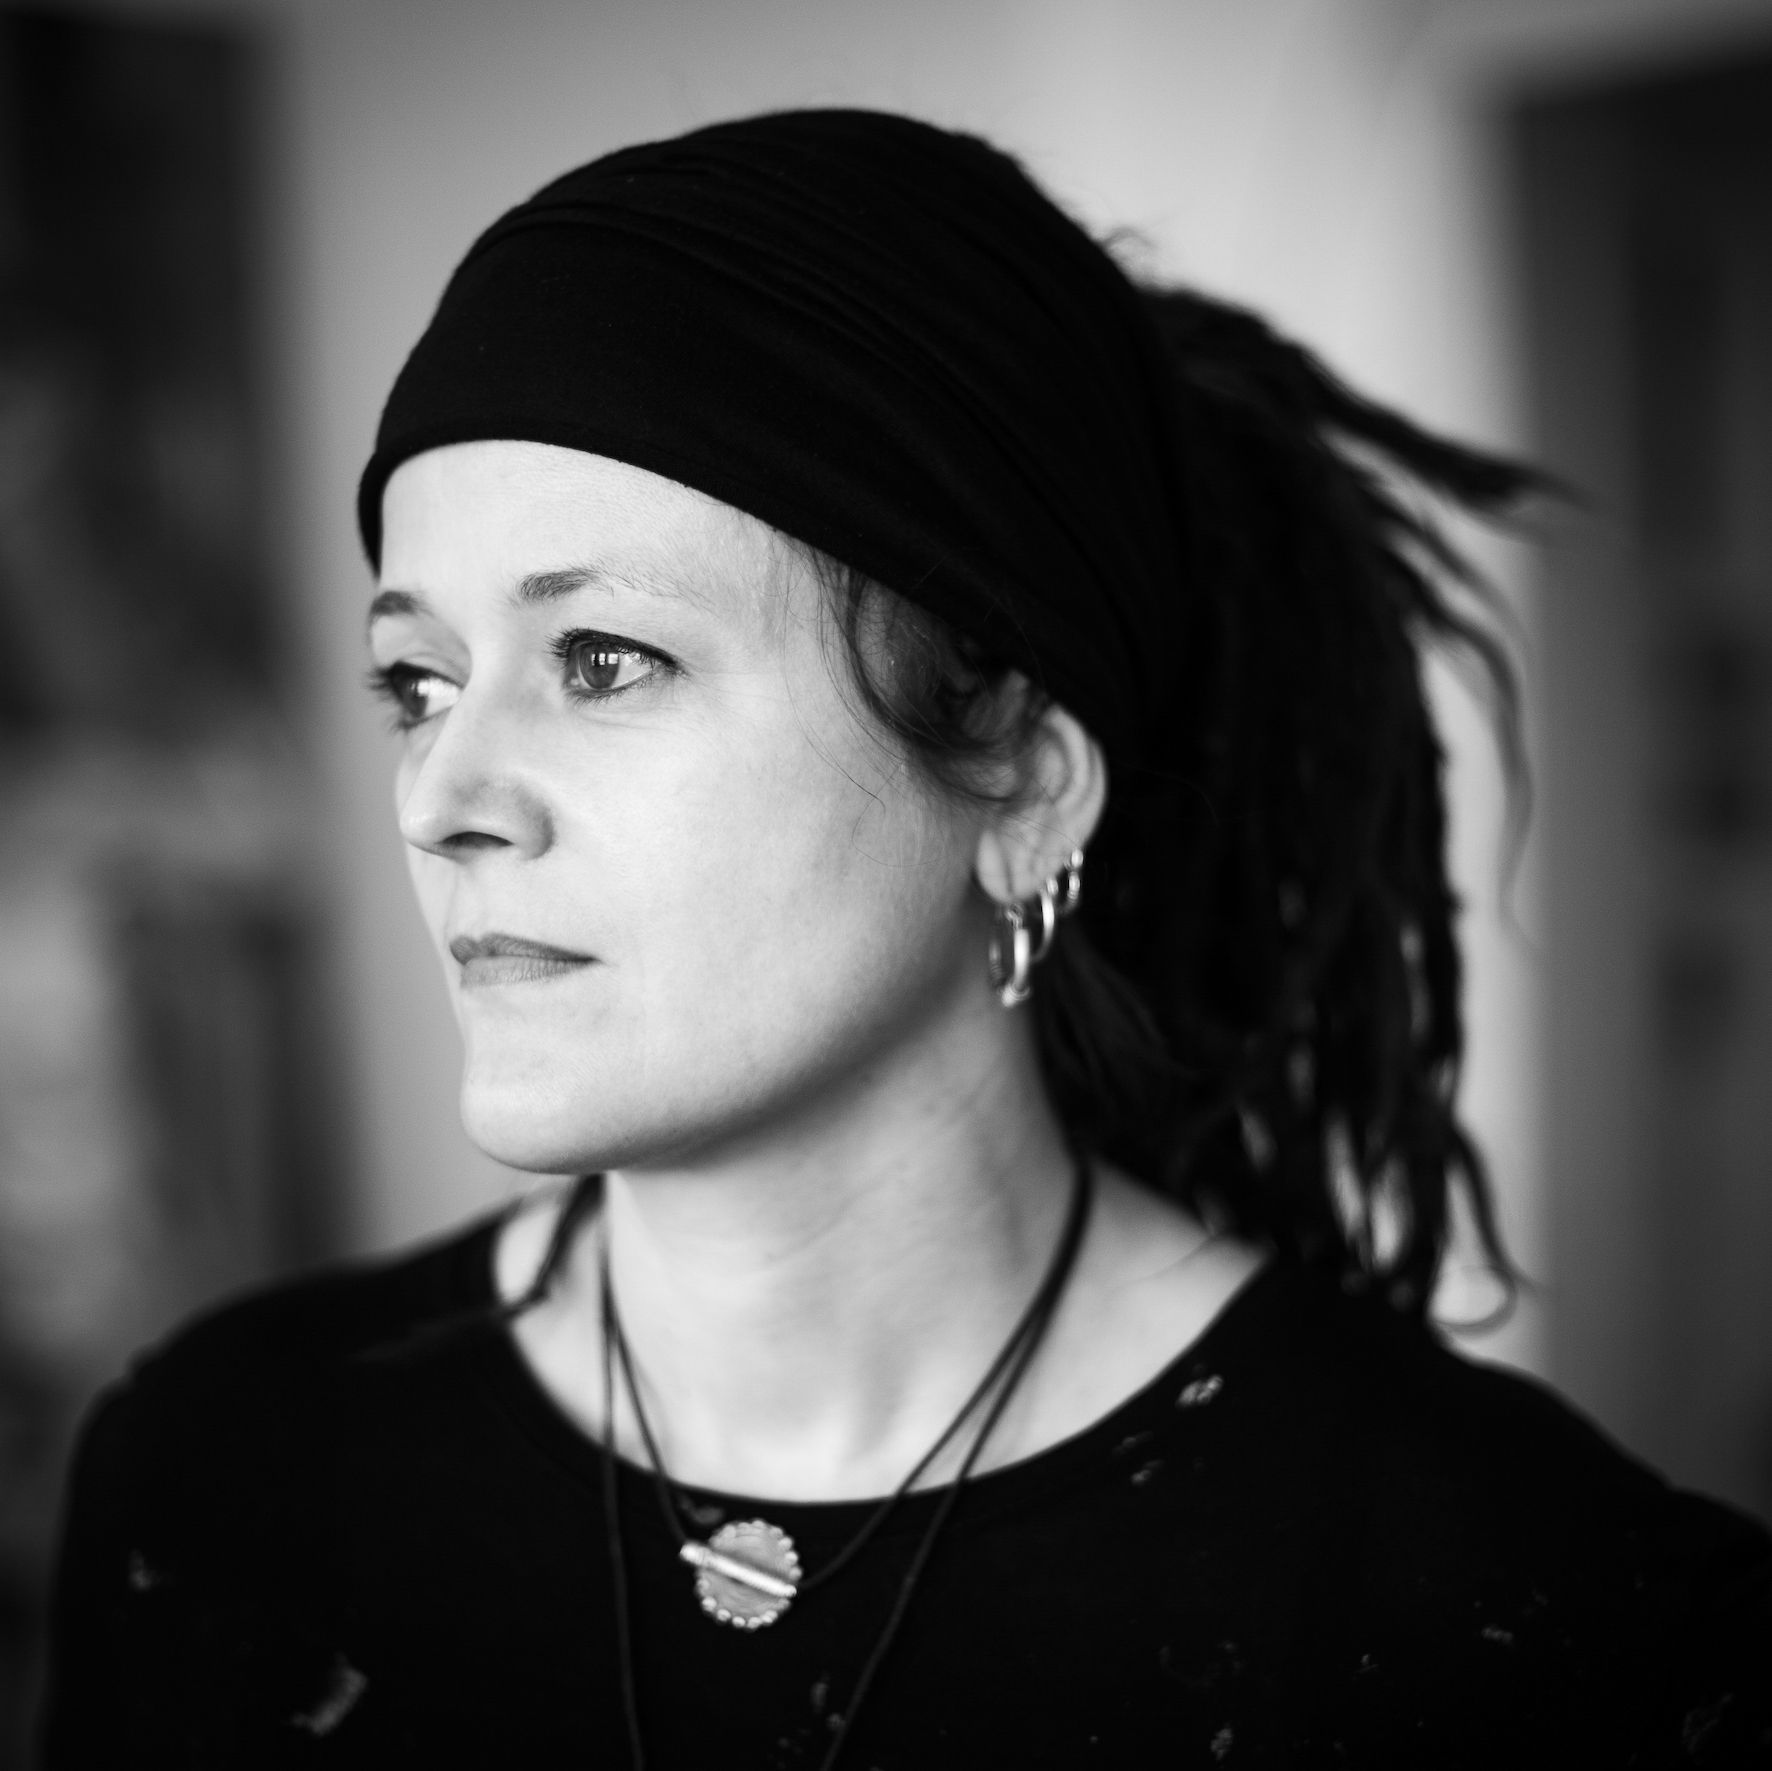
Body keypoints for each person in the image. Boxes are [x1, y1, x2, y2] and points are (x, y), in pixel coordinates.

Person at [39, 109, 1771, 1769]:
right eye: (417, 682)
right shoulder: (215, 1487)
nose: (441, 797)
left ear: (1020, 780)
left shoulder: (1539, 1625)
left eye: (604, 660)